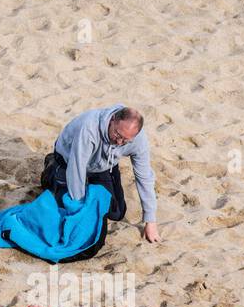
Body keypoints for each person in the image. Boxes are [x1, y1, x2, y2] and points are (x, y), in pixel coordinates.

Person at [42, 105, 160, 245]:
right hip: (69, 159)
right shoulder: (89, 128)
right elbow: (76, 170)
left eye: (125, 140)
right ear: (113, 119)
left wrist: (150, 220)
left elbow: (144, 177)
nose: (119, 142)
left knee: (116, 213)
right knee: (65, 207)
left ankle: (91, 182)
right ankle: (51, 167)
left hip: (102, 165)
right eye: (118, 134)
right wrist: (79, 208)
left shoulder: (138, 140)